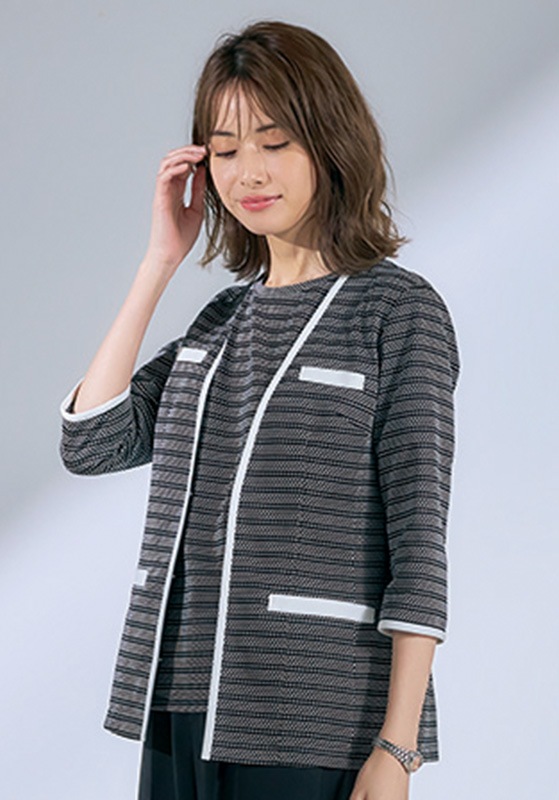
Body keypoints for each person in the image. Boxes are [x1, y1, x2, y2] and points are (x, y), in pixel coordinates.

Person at [59, 19, 460, 800]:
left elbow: (418, 540)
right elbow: (92, 442)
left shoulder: (396, 312)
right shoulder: (219, 322)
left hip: (310, 715)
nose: (249, 171)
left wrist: (397, 747)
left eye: (274, 142)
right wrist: (159, 262)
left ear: (328, 141)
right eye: (225, 149)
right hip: (177, 709)